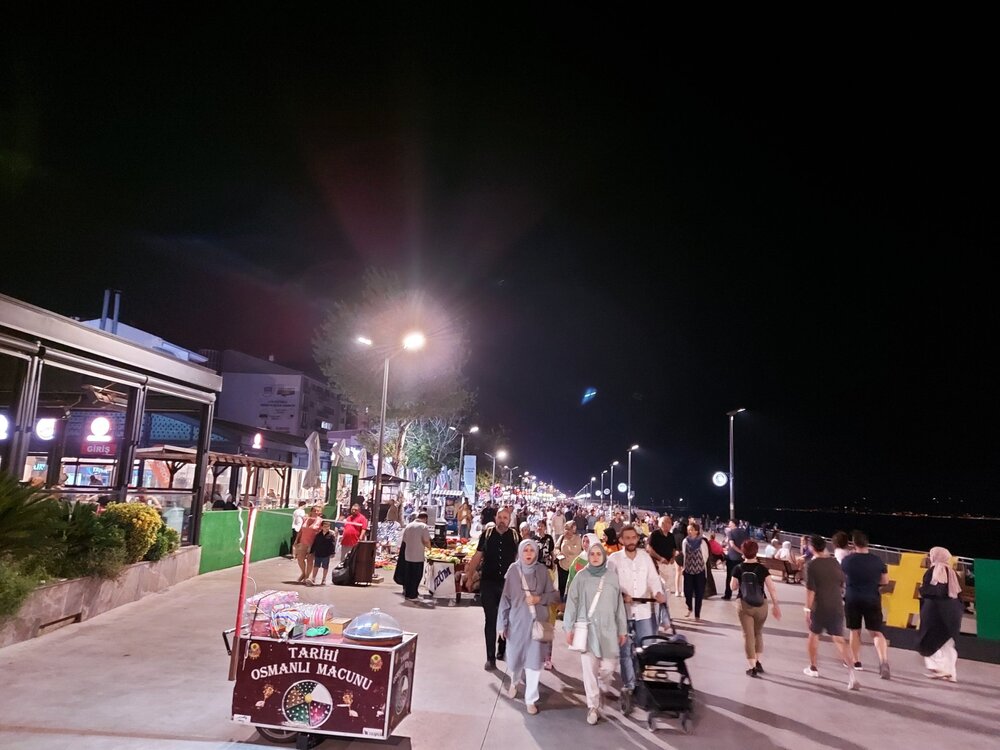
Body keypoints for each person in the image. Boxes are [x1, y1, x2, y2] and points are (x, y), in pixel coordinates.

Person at [563, 543, 627, 726]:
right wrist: (568, 627)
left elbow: (619, 605)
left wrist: (622, 629)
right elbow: (572, 603)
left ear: (604, 556)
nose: (596, 557)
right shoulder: (581, 576)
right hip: (587, 629)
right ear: (588, 556)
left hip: (608, 629)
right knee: (589, 670)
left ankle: (600, 688)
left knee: (608, 667)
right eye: (593, 554)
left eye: (599, 554)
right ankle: (593, 706)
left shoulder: (611, 577)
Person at [498, 540, 561, 714]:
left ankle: (531, 699)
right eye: (525, 550)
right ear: (520, 552)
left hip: (537, 625)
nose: (528, 554)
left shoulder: (542, 571)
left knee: (534, 663)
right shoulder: (513, 570)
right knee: (515, 659)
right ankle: (514, 681)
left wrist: (539, 599)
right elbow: (505, 599)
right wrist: (502, 624)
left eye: (531, 550)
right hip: (517, 624)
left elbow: (554, 596)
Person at [608, 525, 666, 698]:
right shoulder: (614, 559)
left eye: (633, 537)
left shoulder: (645, 557)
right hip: (622, 613)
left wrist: (657, 593)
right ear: (621, 540)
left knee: (644, 649)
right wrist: (621, 594)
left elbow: (653, 579)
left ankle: (640, 679)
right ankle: (629, 684)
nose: (631, 541)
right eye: (627, 538)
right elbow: (609, 584)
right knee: (625, 651)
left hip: (643, 612)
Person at [465, 508, 520, 670]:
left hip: (508, 585)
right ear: (496, 518)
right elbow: (477, 556)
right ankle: (490, 658)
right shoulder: (487, 535)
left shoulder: (515, 536)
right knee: (490, 620)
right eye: (500, 517)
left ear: (509, 520)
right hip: (488, 583)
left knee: (507, 618)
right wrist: (469, 576)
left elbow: (520, 559)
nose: (502, 520)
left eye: (505, 518)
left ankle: (501, 648)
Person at [802, 534, 858, 688]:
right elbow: (841, 582)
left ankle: (813, 667)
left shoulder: (811, 566)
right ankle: (852, 675)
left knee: (813, 635)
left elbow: (810, 590)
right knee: (839, 639)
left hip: (819, 607)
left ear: (812, 548)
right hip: (836, 606)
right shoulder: (834, 562)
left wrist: (807, 609)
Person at [840, 530, 891, 679]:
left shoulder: (847, 560)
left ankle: (856, 662)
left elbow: (842, 578)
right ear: (867, 544)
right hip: (872, 598)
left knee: (854, 630)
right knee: (876, 632)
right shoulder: (878, 560)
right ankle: (883, 661)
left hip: (852, 598)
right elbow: (885, 581)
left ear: (853, 543)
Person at [730, 540, 781, 677]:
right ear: (756, 552)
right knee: (758, 633)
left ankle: (752, 667)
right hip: (761, 605)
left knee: (748, 635)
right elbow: (772, 588)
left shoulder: (738, 568)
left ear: (743, 552)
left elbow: (732, 587)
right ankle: (758, 662)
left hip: (744, 604)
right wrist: (776, 605)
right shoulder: (762, 569)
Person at [917, 547, 963, 682]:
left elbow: (934, 591)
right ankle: (951, 673)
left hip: (936, 612)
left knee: (927, 641)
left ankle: (939, 668)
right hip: (954, 612)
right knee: (947, 643)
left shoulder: (934, 571)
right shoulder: (954, 574)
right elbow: (959, 594)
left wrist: (921, 590)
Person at [400, 511, 433, 602]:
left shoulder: (408, 526)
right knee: (416, 576)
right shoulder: (423, 526)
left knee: (408, 575)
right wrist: (429, 548)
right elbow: (426, 540)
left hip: (408, 555)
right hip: (418, 556)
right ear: (425, 519)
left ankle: (408, 593)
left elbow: (404, 540)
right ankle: (413, 594)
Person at [682, 522, 710, 620]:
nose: (689, 532)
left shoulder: (702, 542)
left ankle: (697, 614)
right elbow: (684, 555)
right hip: (688, 570)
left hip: (700, 571)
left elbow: (705, 555)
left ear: (696, 531)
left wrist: (699, 564)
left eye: (691, 530)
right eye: (688, 530)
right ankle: (689, 607)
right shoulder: (685, 541)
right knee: (687, 592)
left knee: (699, 593)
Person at [647, 515, 678, 594]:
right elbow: (649, 548)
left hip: (668, 565)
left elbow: (674, 548)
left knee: (667, 588)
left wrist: (673, 557)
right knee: (658, 587)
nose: (670, 525)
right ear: (662, 524)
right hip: (657, 564)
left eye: (670, 523)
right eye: (668, 523)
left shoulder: (671, 536)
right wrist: (660, 558)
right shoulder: (655, 534)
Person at [293, 505, 323, 585]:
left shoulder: (320, 521)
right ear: (311, 511)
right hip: (303, 542)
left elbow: (322, 532)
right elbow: (301, 530)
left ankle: (307, 577)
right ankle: (303, 573)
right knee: (300, 559)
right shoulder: (306, 519)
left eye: (318, 511)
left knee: (310, 560)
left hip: (313, 544)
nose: (316, 512)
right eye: (314, 510)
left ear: (320, 513)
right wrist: (296, 540)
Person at [555, 521, 583, 599]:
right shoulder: (562, 537)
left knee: (573, 586)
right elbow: (556, 547)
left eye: (569, 529)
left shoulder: (578, 538)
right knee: (562, 585)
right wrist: (558, 553)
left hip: (574, 567)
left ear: (574, 530)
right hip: (562, 565)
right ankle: (562, 599)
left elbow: (580, 550)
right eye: (566, 529)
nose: (567, 531)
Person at [723, 519, 748, 600]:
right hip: (741, 559)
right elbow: (747, 543)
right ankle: (740, 595)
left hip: (732, 558)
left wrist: (740, 552)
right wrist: (744, 553)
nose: (729, 525)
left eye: (730, 523)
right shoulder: (744, 532)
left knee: (729, 577)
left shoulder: (731, 532)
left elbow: (732, 545)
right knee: (741, 577)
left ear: (734, 524)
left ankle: (728, 594)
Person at [309, 520, 337, 585]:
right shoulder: (318, 535)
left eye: (328, 526)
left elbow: (333, 544)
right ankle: (313, 578)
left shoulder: (331, 535)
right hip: (318, 553)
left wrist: (332, 553)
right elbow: (315, 543)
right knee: (316, 566)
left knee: (325, 567)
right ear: (322, 527)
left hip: (326, 554)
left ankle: (324, 579)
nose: (326, 528)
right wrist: (311, 551)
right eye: (325, 526)